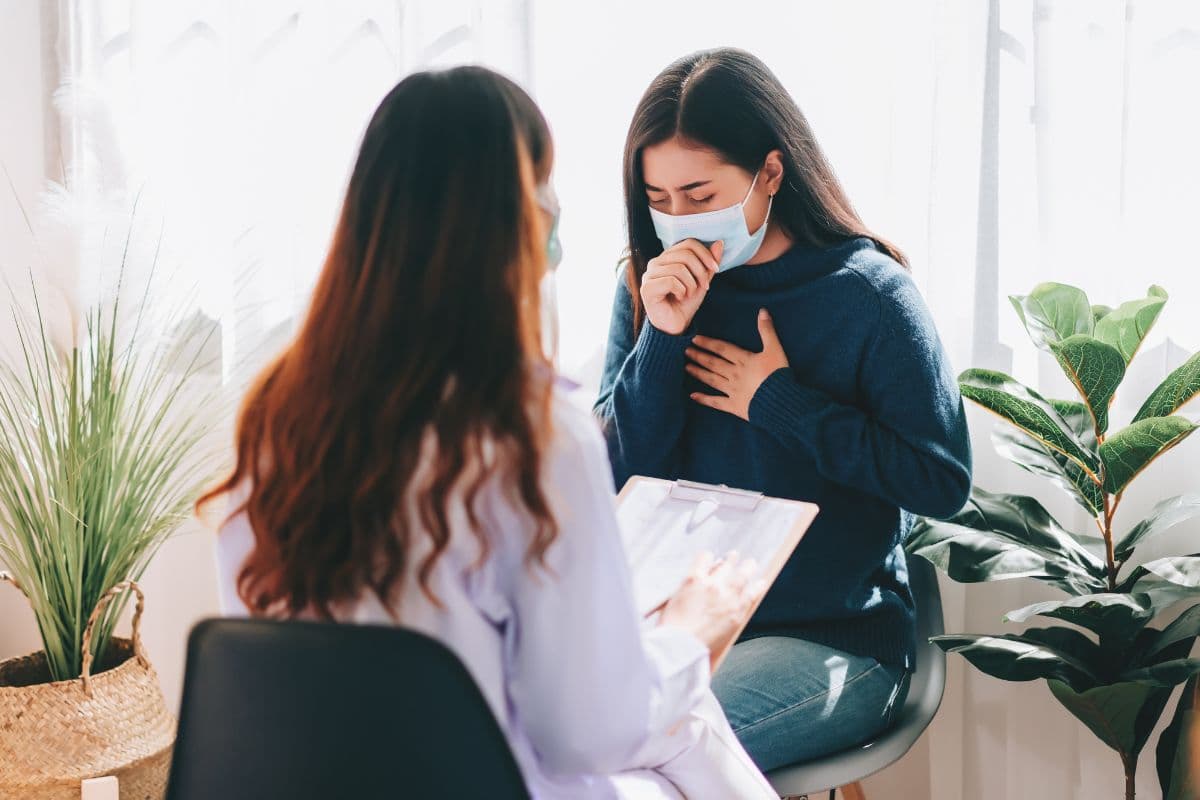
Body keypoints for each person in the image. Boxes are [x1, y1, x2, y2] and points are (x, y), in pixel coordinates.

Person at [200, 65, 778, 799]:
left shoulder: (275, 417)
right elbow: (588, 730)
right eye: (545, 186)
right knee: (685, 722)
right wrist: (690, 636)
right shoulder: (533, 437)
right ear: (519, 221)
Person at [595, 47, 973, 771]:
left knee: (633, 755)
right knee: (540, 742)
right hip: (672, 631)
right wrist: (663, 339)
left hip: (830, 640)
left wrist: (780, 404)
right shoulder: (648, 288)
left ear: (770, 172)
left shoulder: (868, 296)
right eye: (658, 198)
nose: (678, 221)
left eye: (700, 195)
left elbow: (940, 481)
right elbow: (619, 478)